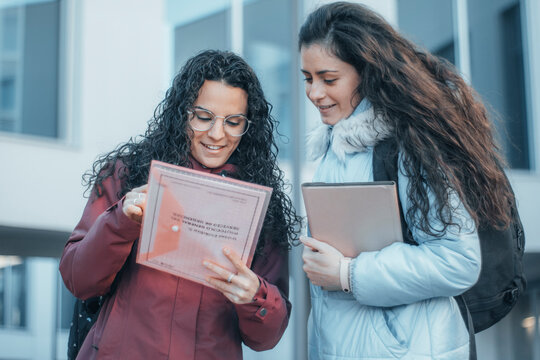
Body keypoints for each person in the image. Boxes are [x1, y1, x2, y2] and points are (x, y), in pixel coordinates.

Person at [298, 2, 515, 359]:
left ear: (366, 72)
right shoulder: (334, 150)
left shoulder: (409, 147)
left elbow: (457, 261)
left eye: (328, 79)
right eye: (307, 78)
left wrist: (349, 274)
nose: (314, 93)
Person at [59, 49, 301, 359]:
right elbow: (79, 279)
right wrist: (122, 221)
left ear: (248, 126)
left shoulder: (260, 208)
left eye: (233, 122)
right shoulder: (128, 174)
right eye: (203, 117)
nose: (217, 134)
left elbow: (266, 338)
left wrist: (255, 295)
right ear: (182, 113)